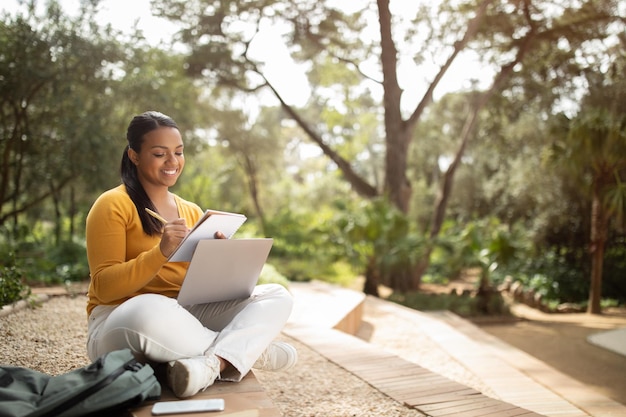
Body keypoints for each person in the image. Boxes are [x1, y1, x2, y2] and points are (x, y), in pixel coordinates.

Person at [85, 111, 297, 399]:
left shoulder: (192, 211)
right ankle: (251, 351)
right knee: (148, 310)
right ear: (134, 156)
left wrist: (222, 261)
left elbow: (197, 288)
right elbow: (104, 288)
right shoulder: (112, 204)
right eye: (160, 154)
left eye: (179, 152)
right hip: (124, 319)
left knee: (276, 295)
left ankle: (213, 364)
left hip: (185, 316)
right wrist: (160, 252)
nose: (173, 162)